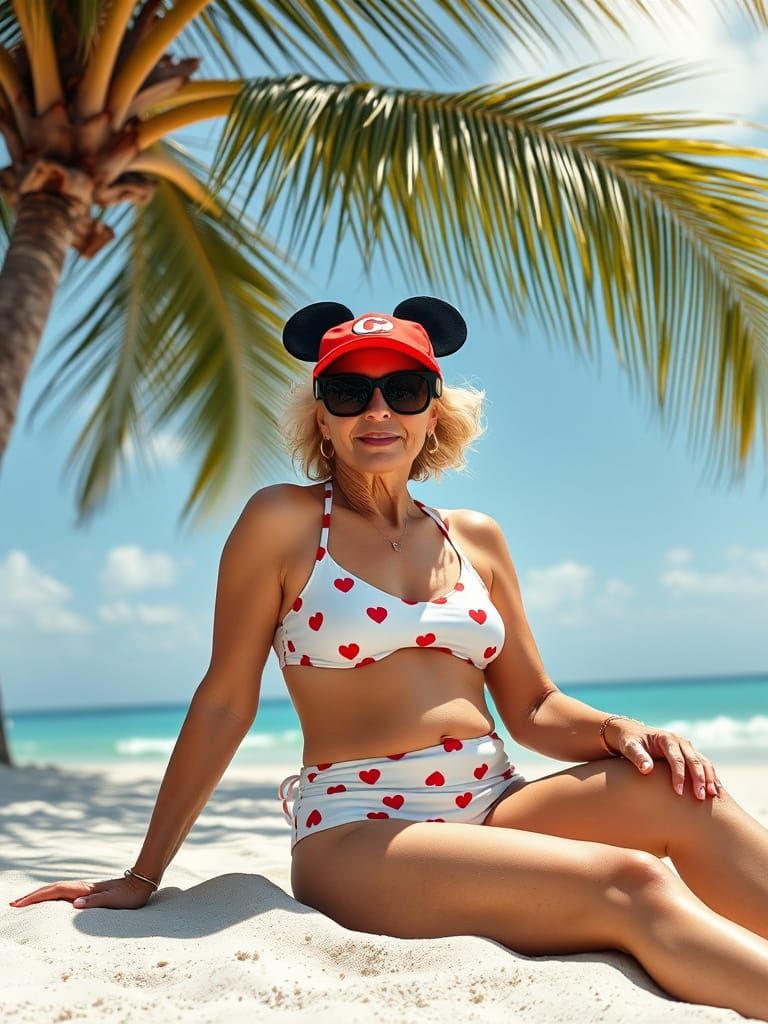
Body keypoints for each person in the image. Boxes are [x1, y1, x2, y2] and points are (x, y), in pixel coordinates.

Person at [10, 296, 768, 1019]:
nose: (378, 410)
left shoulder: (476, 538)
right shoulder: (282, 522)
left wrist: (619, 729)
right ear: (322, 418)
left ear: (433, 411)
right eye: (350, 392)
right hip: (359, 831)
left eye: (404, 389)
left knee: (683, 790)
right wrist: (145, 875)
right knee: (628, 882)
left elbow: (534, 708)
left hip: (496, 803)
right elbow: (224, 701)